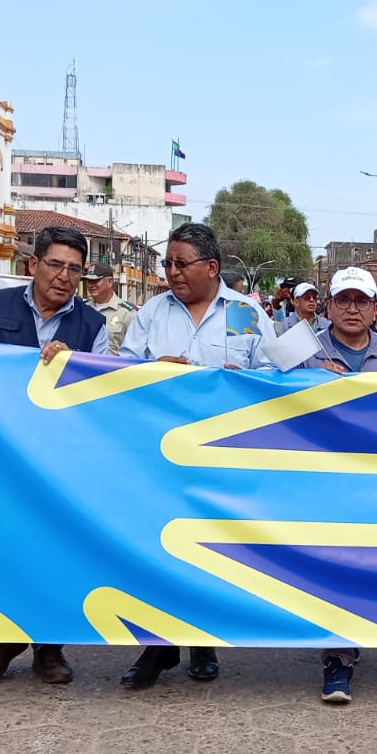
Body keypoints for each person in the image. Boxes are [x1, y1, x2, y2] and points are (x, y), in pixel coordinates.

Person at [120, 222, 277, 687]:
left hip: (220, 456)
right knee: (158, 548)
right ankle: (159, 646)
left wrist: (242, 380)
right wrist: (150, 371)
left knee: (208, 547)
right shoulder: (152, 312)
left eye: (180, 263)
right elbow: (120, 371)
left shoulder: (245, 313)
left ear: (212, 267)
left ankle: (204, 641)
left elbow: (273, 374)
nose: (171, 272)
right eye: (166, 263)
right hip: (159, 456)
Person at [0, 225, 111, 687]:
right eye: (55, 265)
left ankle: (50, 648)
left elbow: (103, 394)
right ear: (33, 264)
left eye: (75, 269)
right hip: (0, 454)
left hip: (60, 460)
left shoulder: (94, 326)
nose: (64, 276)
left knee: (56, 549)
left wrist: (75, 368)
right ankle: (3, 643)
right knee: (5, 547)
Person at [296, 267, 377, 703]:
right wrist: (307, 379)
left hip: (376, 479)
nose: (352, 309)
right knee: (332, 564)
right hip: (320, 479)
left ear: (375, 307)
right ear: (328, 306)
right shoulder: (305, 351)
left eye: (362, 301)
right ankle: (337, 658)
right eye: (343, 300)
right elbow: (260, 387)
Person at [84, 261, 138, 353]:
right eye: (89, 281)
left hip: (114, 367)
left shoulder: (126, 313)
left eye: (96, 281)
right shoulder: (84, 309)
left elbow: (135, 349)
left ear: (109, 282)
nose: (91, 285)